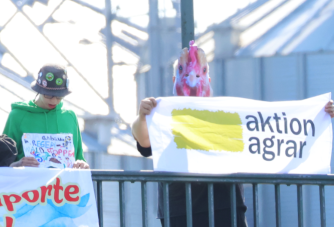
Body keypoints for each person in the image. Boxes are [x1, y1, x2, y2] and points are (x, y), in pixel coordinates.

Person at [130, 41, 334, 226]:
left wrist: (321, 116)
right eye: (184, 71)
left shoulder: (227, 114)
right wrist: (143, 116)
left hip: (226, 207)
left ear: (208, 78)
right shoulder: (163, 115)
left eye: (201, 72)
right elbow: (143, 142)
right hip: (179, 211)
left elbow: (270, 133)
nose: (192, 78)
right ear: (175, 78)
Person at [1, 64, 91, 169]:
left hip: (63, 184)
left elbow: (78, 157)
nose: (54, 101)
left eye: (59, 96)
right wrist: (18, 164)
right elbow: (3, 162)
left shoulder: (70, 117)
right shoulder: (17, 116)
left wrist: (82, 165)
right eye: (48, 95)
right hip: (27, 184)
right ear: (39, 90)